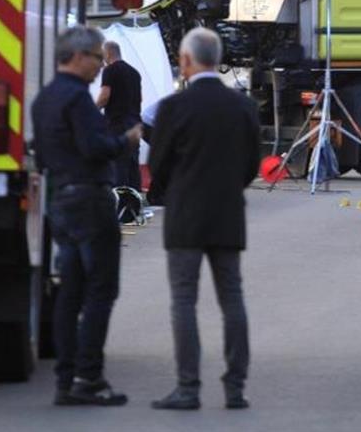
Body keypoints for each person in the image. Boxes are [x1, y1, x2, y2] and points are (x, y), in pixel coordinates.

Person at [148, 28, 260, 411]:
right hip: (228, 214)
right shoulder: (243, 106)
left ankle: (188, 387)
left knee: (184, 301)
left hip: (185, 218)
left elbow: (157, 167)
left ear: (185, 60)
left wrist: (173, 191)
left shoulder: (173, 108)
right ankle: (236, 388)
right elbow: (251, 165)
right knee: (232, 298)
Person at [31, 26, 142, 406]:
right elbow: (94, 146)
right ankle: (89, 377)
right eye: (96, 57)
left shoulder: (44, 99)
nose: (100, 65)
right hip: (89, 199)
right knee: (100, 289)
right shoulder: (78, 100)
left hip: (60, 198)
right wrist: (124, 142)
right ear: (77, 57)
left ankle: (66, 378)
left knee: (70, 292)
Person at [96, 41, 143, 189]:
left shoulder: (110, 70)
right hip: (135, 124)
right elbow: (139, 98)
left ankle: (119, 203)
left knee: (117, 165)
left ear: (108, 53)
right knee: (132, 165)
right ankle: (134, 201)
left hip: (117, 124)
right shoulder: (135, 73)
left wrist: (91, 110)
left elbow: (104, 96)